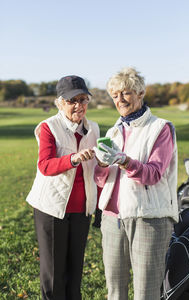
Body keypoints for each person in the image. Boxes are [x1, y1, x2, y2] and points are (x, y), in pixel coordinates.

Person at [93, 67, 179, 300]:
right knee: (115, 290)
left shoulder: (161, 128)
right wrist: (101, 164)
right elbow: (102, 180)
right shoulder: (112, 132)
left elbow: (153, 174)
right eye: (115, 95)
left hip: (149, 218)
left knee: (146, 292)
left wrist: (124, 161)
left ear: (140, 94)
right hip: (112, 219)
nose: (120, 100)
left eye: (126, 93)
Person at [26, 75, 100, 300]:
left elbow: (97, 169)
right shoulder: (49, 127)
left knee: (75, 271)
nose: (79, 105)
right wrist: (73, 159)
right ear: (60, 103)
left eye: (83, 99)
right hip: (52, 208)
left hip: (81, 209)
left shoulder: (94, 128)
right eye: (72, 101)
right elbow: (45, 165)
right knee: (54, 274)